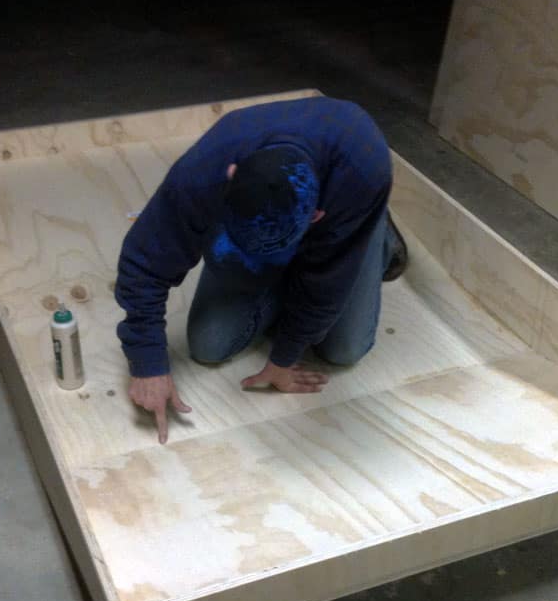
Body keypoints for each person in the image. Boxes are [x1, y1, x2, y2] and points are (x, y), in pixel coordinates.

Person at [115, 96, 407, 444]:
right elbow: (145, 263)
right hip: (282, 215)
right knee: (209, 344)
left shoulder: (361, 170)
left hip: (348, 211)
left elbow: (327, 283)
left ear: (316, 216)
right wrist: (147, 362)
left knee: (343, 350)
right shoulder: (205, 169)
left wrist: (284, 358)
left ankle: (378, 233)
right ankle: (272, 261)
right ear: (232, 176)